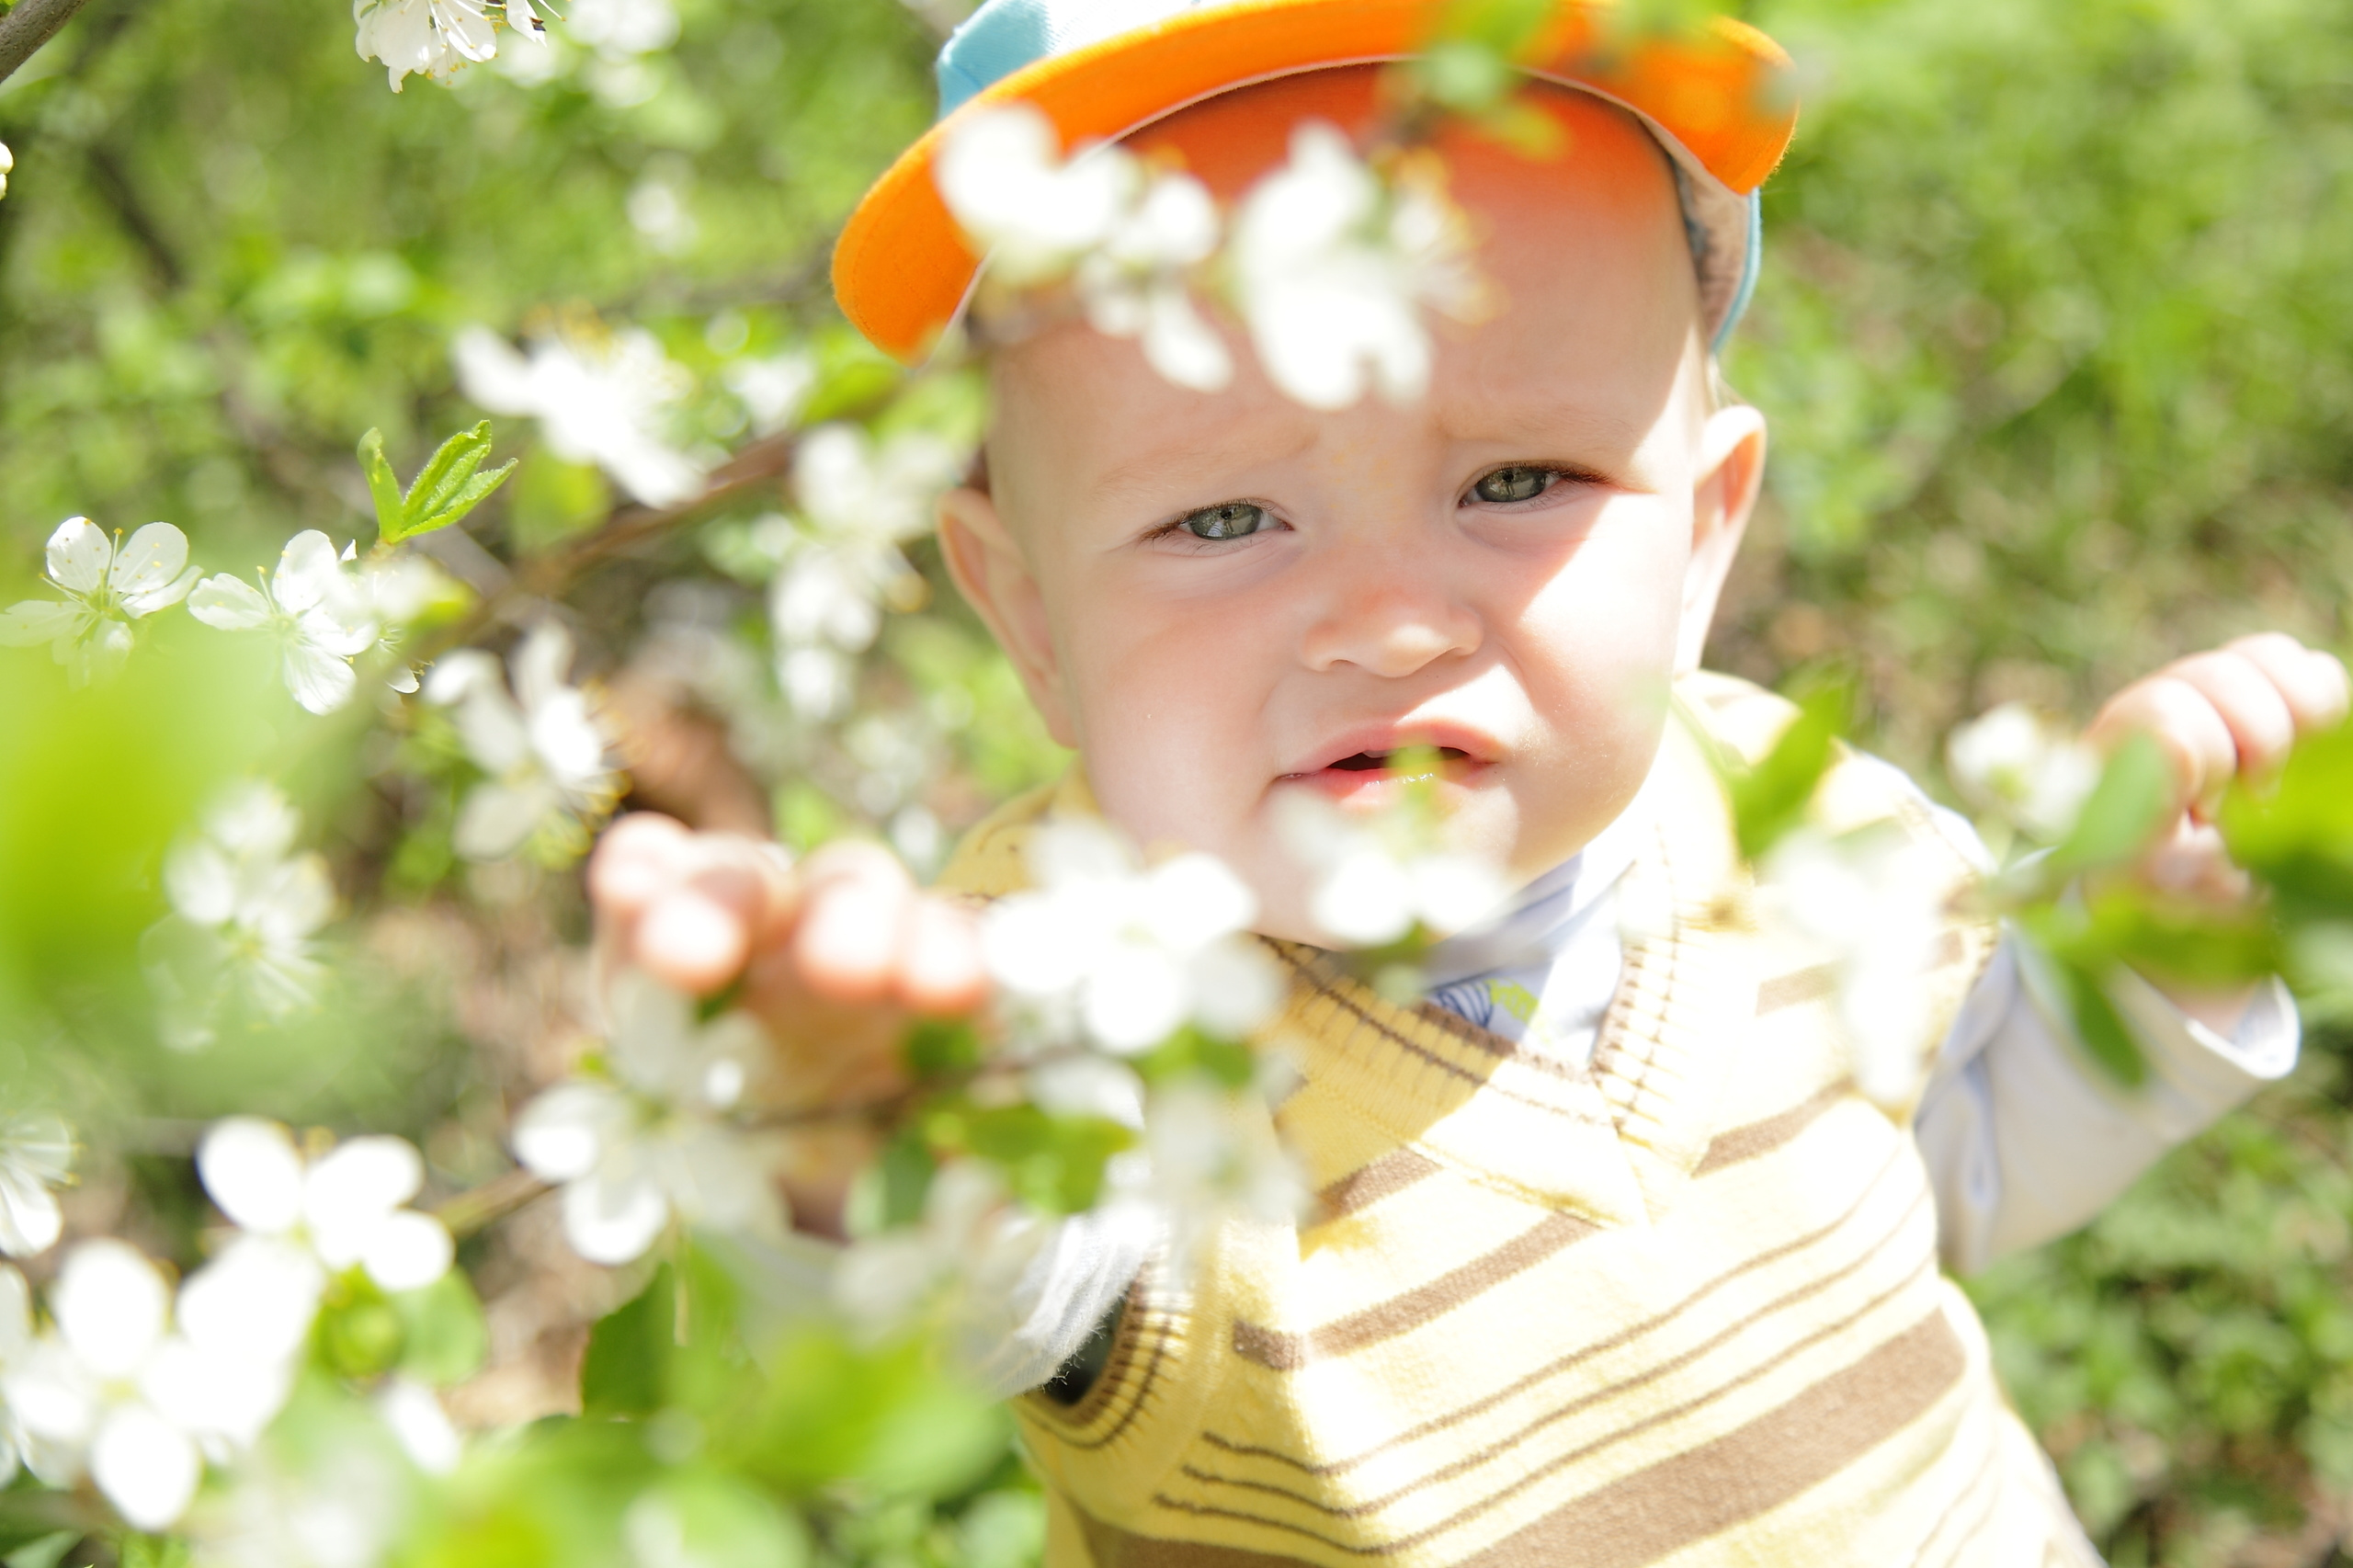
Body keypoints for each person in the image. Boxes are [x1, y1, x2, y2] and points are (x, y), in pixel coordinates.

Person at [589, 1, 2350, 1561]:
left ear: (1705, 533)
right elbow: (990, 1283)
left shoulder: (1798, 829)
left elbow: (1949, 1171)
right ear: (1029, 616)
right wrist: (865, 1130)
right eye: (1221, 516)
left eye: (1517, 480)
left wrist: (2144, 958)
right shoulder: (1078, 1003)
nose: (1385, 621)